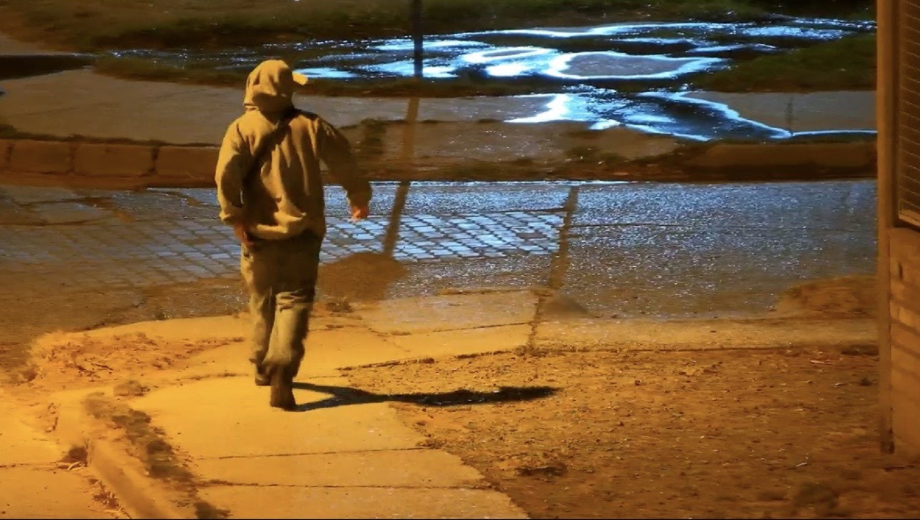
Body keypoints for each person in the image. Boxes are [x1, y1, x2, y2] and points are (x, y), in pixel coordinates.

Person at [215, 59, 371, 410]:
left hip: (257, 235)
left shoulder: (240, 129)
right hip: (304, 233)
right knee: (295, 300)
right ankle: (283, 365)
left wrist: (235, 218)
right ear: (286, 90)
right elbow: (345, 160)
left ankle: (261, 363)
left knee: (262, 299)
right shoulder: (312, 126)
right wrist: (358, 197)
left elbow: (226, 175)